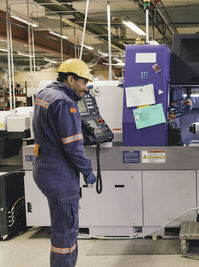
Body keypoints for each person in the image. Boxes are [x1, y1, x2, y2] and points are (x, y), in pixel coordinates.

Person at [32, 58, 96, 267]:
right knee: (66, 230)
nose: (85, 89)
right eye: (83, 82)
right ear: (70, 79)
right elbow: (72, 147)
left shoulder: (45, 94)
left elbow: (52, 130)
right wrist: (88, 171)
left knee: (62, 226)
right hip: (59, 171)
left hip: (43, 166)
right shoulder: (66, 103)